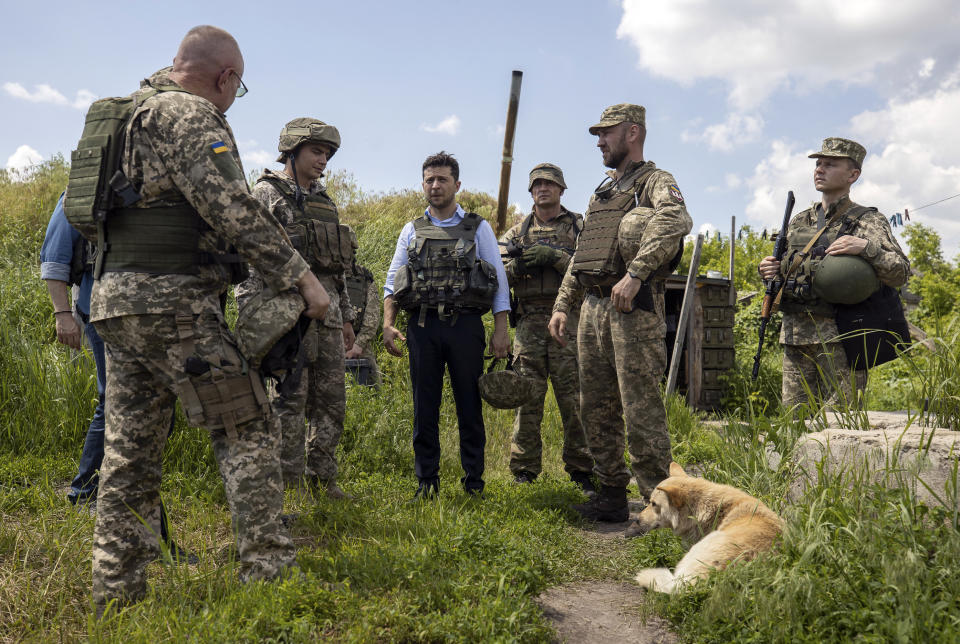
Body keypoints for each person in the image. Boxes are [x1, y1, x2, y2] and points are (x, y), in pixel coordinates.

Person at [85, 25, 329, 610]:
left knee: (129, 452)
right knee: (247, 426)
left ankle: (117, 594)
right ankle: (268, 577)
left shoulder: (125, 119)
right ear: (225, 78)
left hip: (116, 303)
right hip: (176, 307)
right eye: (235, 89)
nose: (230, 100)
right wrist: (302, 278)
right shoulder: (187, 115)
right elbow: (231, 208)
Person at [548, 104, 692, 536]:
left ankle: (661, 508)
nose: (599, 142)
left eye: (606, 133)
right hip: (593, 307)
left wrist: (636, 274)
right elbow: (583, 252)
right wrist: (562, 303)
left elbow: (676, 220)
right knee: (595, 405)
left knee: (641, 408)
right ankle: (611, 495)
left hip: (634, 307)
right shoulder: (603, 192)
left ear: (632, 133)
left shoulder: (656, 182)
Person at [40, 194, 193, 559]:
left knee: (150, 405)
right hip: (102, 312)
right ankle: (86, 491)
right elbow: (54, 257)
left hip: (155, 316)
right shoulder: (83, 188)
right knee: (114, 400)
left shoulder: (154, 190)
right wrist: (63, 313)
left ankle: (106, 489)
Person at [236, 118, 356, 498]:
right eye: (316, 151)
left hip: (330, 315)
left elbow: (339, 268)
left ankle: (323, 477)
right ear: (292, 151)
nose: (323, 160)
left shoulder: (324, 202)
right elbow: (253, 260)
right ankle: (290, 484)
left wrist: (347, 316)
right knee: (290, 401)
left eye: (328, 154)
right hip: (287, 318)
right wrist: (258, 318)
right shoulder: (265, 194)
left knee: (332, 401)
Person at [382, 151, 510, 499]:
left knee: (470, 405)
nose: (435, 185)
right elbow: (393, 282)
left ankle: (474, 483)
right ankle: (427, 482)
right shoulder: (411, 229)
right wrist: (388, 324)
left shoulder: (478, 227)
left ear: (457, 184)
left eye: (442, 179)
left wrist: (501, 329)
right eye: (429, 179)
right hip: (422, 328)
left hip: (465, 327)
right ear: (423, 184)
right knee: (424, 408)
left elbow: (498, 280)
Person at [758, 138, 910, 408]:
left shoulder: (867, 220)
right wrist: (771, 271)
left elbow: (900, 272)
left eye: (830, 164)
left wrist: (866, 248)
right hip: (795, 336)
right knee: (794, 421)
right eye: (818, 164)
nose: (819, 169)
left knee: (841, 422)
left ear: (853, 175)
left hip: (842, 339)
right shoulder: (799, 220)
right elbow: (793, 274)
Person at [499, 163, 593, 490]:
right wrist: (520, 264)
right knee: (527, 398)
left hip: (569, 319)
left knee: (576, 400)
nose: (543, 189)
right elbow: (496, 276)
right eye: (537, 184)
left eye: (549, 184)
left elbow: (590, 268)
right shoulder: (516, 234)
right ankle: (524, 470)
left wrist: (555, 257)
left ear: (561, 189)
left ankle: (583, 471)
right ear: (530, 191)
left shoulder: (580, 226)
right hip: (528, 322)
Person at [343, 234, 382, 387]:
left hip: (360, 344)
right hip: (328, 342)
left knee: (372, 390)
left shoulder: (363, 277)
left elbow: (372, 317)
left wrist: (358, 345)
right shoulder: (322, 276)